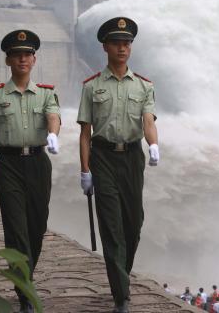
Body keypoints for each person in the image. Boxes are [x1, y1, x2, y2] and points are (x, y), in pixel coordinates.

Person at [0, 29, 61, 313]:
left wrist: (53, 135)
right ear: (8, 60)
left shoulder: (46, 93)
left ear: (34, 59)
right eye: (16, 54)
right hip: (8, 165)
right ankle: (25, 294)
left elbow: (53, 116)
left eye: (27, 54)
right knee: (16, 230)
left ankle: (26, 278)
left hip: (38, 164)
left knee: (37, 228)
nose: (22, 59)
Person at [77, 17, 159, 313]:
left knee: (133, 224)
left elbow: (148, 120)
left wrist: (153, 145)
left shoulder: (144, 85)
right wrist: (85, 170)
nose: (122, 48)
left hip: (133, 157)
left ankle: (121, 276)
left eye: (126, 43)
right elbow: (85, 133)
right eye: (116, 43)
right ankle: (121, 296)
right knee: (111, 227)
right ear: (105, 47)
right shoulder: (92, 86)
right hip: (103, 157)